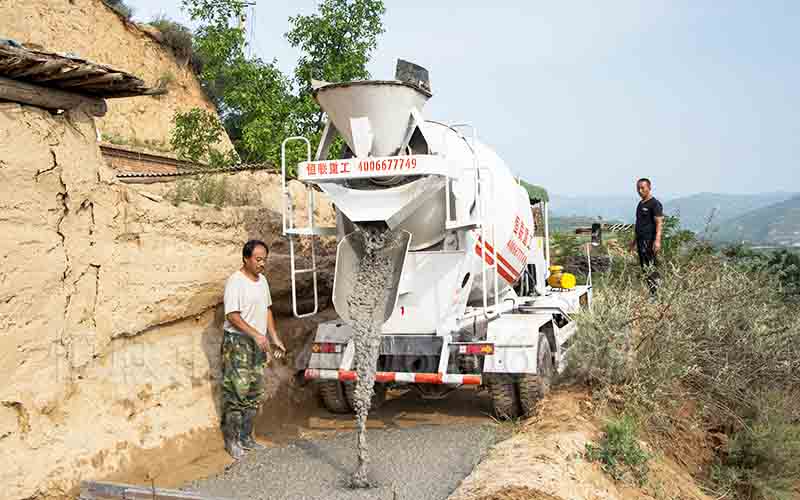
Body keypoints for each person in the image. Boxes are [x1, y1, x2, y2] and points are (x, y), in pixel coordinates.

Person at [221, 239, 286, 459]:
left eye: (264, 259)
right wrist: (256, 334)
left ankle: (247, 437)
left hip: (259, 344)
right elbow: (232, 315)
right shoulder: (235, 282)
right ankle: (232, 441)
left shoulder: (262, 281)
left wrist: (274, 337)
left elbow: (267, 310)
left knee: (254, 391)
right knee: (236, 392)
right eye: (258, 259)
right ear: (246, 258)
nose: (262, 264)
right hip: (238, 343)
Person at [630, 178, 664, 294]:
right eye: (638, 188)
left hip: (649, 241)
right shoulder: (640, 204)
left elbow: (659, 223)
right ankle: (652, 291)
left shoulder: (655, 204)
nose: (640, 191)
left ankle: (657, 292)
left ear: (649, 188)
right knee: (644, 267)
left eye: (642, 188)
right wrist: (634, 241)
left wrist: (657, 241)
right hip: (640, 241)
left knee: (651, 266)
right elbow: (639, 223)